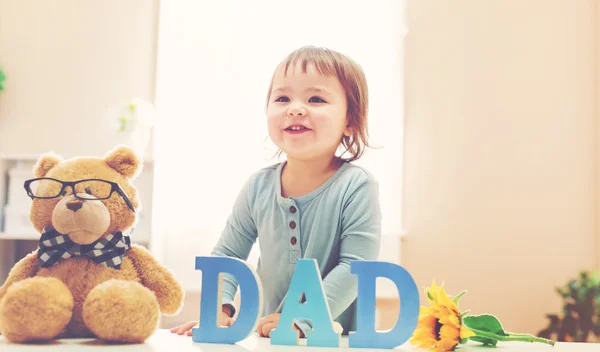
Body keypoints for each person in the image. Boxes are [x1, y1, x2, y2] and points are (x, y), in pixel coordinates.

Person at [170, 45, 382, 338]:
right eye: (282, 98)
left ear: (350, 121)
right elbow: (228, 254)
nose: (295, 108)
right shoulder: (258, 186)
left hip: (336, 339)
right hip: (273, 339)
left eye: (316, 98)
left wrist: (302, 320)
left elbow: (356, 268)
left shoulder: (357, 187)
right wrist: (217, 313)